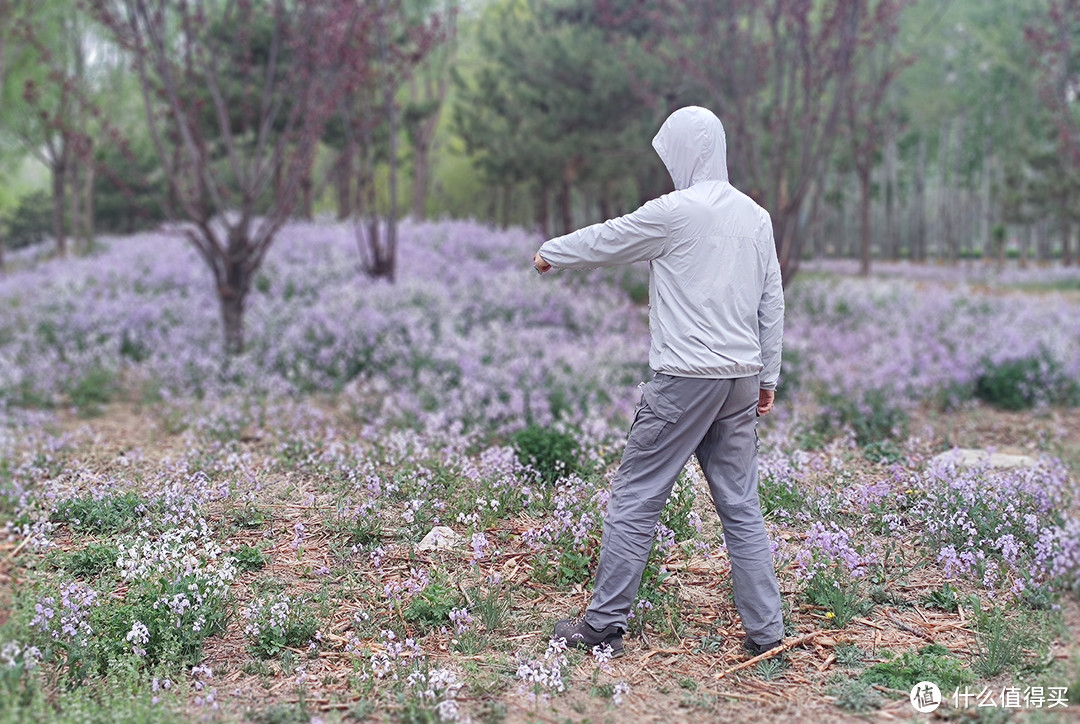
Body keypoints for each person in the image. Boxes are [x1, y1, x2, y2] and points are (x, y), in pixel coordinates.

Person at [532, 106, 785, 658]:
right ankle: (767, 634)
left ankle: (603, 627)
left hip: (685, 380)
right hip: (741, 378)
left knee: (636, 496)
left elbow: (610, 239)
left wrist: (552, 252)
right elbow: (771, 298)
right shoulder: (756, 216)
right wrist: (769, 373)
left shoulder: (674, 212)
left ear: (683, 153)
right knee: (741, 506)